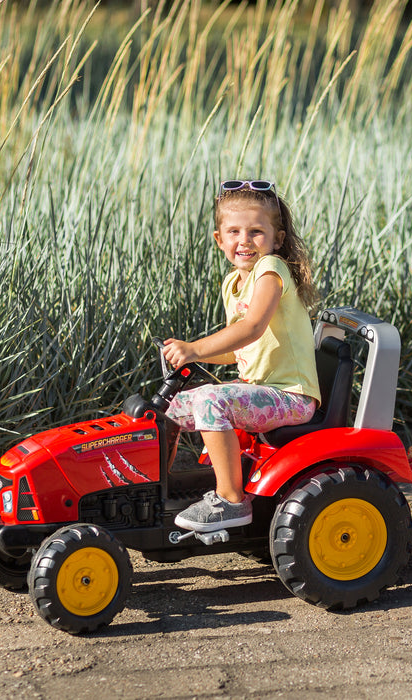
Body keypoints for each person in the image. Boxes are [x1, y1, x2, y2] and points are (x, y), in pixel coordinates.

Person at [161, 179, 321, 532]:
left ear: (277, 239)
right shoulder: (234, 281)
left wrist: (195, 347)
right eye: (233, 231)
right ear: (219, 239)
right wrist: (190, 357)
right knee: (169, 410)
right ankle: (162, 489)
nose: (244, 240)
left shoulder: (271, 270)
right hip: (261, 393)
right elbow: (240, 349)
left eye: (256, 232)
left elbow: (252, 328)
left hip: (290, 395)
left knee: (210, 402)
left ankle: (231, 501)